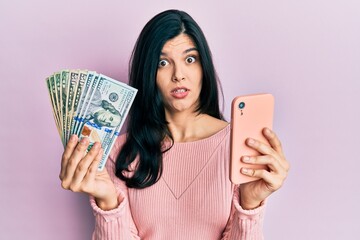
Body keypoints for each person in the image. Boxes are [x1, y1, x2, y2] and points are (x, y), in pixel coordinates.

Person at [59, 9, 290, 240]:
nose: (178, 74)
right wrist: (108, 202)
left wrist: (249, 205)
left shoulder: (238, 147)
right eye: (163, 62)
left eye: (190, 59)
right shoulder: (119, 153)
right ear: (149, 72)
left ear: (203, 66)